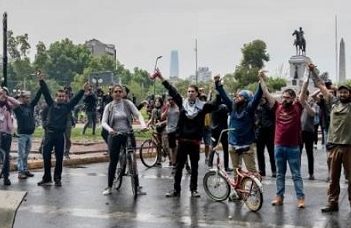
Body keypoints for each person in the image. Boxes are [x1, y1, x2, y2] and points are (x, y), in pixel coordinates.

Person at [309, 61, 351, 214]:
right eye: (340, 92)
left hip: (350, 148)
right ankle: (332, 203)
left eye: (345, 92)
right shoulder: (332, 102)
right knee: (333, 179)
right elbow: (321, 85)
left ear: (350, 93)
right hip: (334, 147)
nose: (342, 94)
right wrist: (313, 71)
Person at [153, 68, 217, 198]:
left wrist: (217, 85)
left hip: (195, 142)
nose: (190, 93)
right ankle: (176, 190)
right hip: (182, 141)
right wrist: (161, 77)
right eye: (189, 91)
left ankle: (193, 190)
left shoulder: (203, 106)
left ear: (197, 93)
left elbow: (216, 103)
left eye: (193, 91)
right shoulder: (182, 103)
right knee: (178, 167)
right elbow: (172, 90)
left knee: (194, 167)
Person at [258, 70, 312, 207]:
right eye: (283, 97)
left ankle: (301, 198)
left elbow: (304, 88)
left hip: (293, 147)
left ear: (293, 99)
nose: (284, 99)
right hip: (279, 146)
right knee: (280, 174)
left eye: (287, 97)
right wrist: (261, 78)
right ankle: (279, 197)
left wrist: (308, 73)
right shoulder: (277, 107)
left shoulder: (298, 107)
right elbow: (266, 92)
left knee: (296, 175)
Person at [35, 70, 86, 187]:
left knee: (59, 158)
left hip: (60, 136)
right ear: (56, 97)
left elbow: (76, 99)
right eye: (59, 96)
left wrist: (83, 90)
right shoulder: (51, 104)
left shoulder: (67, 107)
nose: (61, 98)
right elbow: (45, 92)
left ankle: (57, 178)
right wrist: (41, 80)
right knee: (46, 157)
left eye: (63, 96)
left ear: (65, 97)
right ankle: (47, 178)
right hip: (49, 134)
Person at [100, 85, 148, 195]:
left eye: (120, 91)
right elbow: (103, 122)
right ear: (112, 94)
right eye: (115, 91)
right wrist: (110, 130)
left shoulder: (127, 103)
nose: (118, 93)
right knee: (113, 160)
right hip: (115, 134)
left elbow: (138, 114)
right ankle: (109, 187)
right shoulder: (109, 106)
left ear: (122, 93)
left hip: (128, 133)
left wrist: (143, 125)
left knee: (133, 158)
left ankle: (137, 186)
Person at [216, 82, 263, 174]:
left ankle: (256, 184)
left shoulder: (250, 108)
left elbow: (257, 98)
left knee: (252, 170)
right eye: (237, 95)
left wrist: (261, 84)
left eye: (240, 96)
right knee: (236, 170)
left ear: (246, 99)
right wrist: (218, 84)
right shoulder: (232, 107)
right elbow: (224, 97)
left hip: (247, 145)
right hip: (233, 144)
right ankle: (237, 184)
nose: (237, 97)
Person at [14, 90, 37, 179]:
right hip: (22, 134)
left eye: (28, 98)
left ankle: (25, 169)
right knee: (21, 154)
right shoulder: (18, 108)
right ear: (22, 99)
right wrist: (18, 96)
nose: (28, 99)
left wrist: (41, 86)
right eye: (26, 98)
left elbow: (37, 98)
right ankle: (20, 171)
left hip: (30, 134)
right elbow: (11, 101)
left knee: (26, 154)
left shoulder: (30, 106)